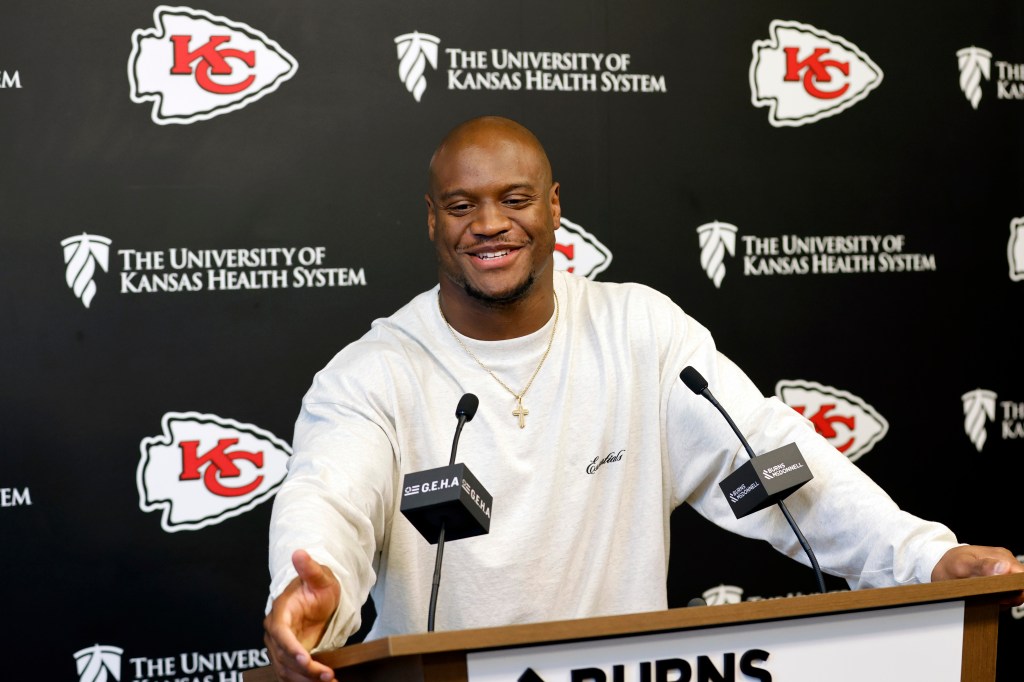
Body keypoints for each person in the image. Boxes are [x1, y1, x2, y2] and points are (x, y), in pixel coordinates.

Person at [262, 116, 1023, 682]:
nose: (490, 224)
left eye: (514, 199)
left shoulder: (641, 331)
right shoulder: (372, 374)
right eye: (461, 206)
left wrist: (924, 557)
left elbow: (770, 458)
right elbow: (330, 497)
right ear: (432, 219)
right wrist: (309, 591)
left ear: (554, 207)